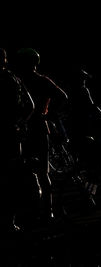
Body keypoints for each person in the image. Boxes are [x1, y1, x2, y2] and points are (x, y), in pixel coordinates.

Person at [14, 48, 69, 224]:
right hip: (38, 127)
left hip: (28, 128)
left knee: (31, 171)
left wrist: (49, 114)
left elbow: (62, 97)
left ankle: (41, 210)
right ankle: (46, 210)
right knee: (41, 172)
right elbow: (62, 97)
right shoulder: (41, 80)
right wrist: (50, 114)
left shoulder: (21, 81)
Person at [0, 48, 35, 233]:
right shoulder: (14, 79)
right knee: (10, 178)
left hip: (4, 135)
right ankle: (9, 221)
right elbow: (30, 105)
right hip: (12, 135)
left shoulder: (11, 79)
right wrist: (19, 123)